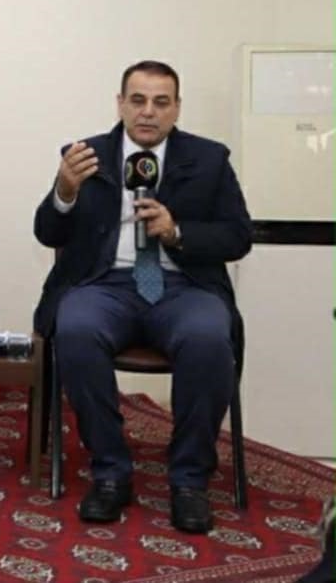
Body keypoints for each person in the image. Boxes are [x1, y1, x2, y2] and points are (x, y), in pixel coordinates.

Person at [34, 60, 252, 534]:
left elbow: (238, 236)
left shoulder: (209, 159)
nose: (148, 112)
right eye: (137, 100)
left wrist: (177, 231)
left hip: (183, 287)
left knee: (208, 337)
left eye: (160, 102)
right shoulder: (86, 156)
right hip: (105, 284)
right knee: (74, 328)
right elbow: (47, 233)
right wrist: (64, 192)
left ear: (176, 108)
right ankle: (111, 472)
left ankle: (189, 480)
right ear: (120, 104)